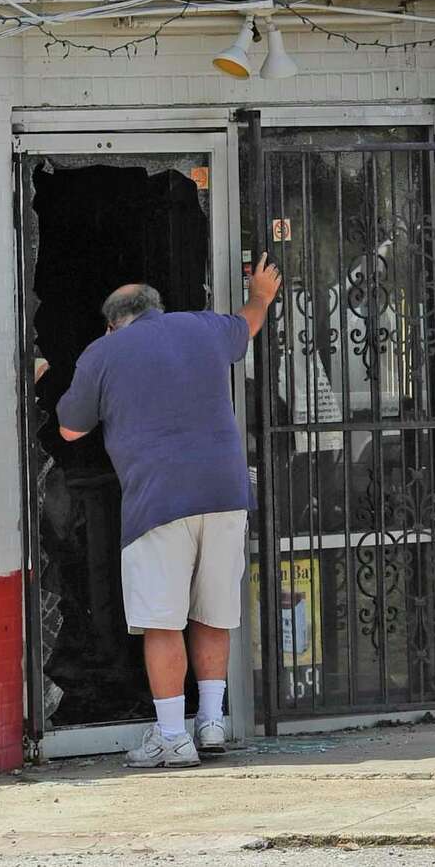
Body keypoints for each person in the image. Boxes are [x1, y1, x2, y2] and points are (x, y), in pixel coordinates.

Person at [56, 254, 282, 769]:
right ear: (158, 307)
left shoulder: (104, 352)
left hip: (158, 500)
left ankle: (172, 736)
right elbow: (248, 323)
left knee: (162, 621)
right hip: (226, 495)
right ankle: (211, 722)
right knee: (212, 610)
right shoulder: (202, 326)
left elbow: (71, 429)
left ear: (114, 323)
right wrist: (263, 293)